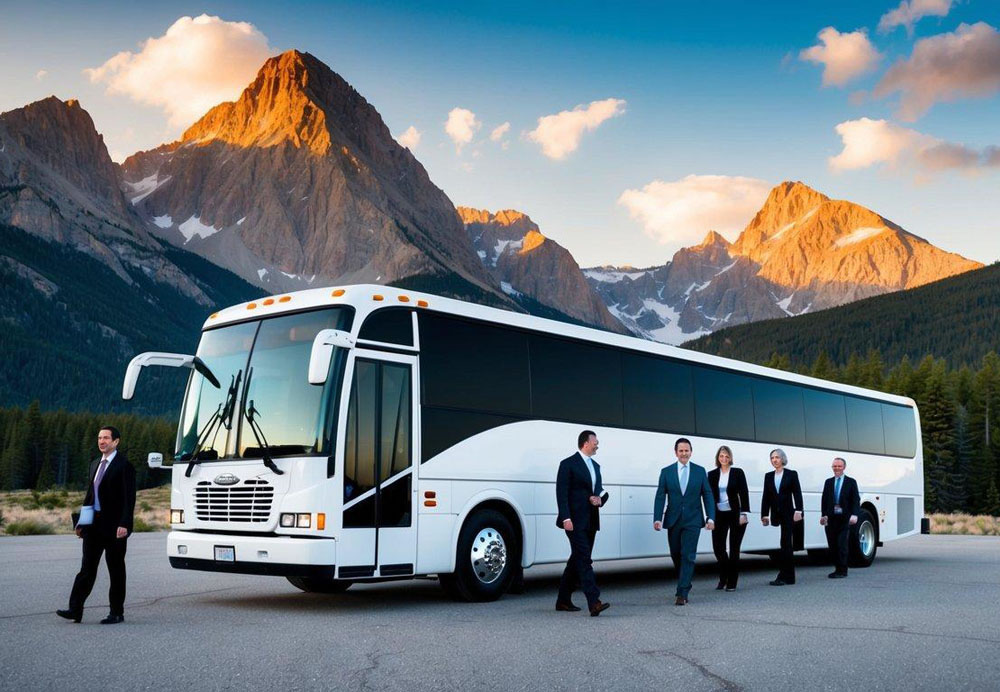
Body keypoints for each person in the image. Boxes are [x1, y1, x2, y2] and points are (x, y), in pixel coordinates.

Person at [57, 426, 136, 624]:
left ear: (116, 441)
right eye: (100, 438)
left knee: (116, 569)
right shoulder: (94, 464)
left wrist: (125, 524)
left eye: (106, 438)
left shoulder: (124, 465)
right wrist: (82, 523)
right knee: (86, 569)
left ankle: (116, 613)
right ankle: (75, 609)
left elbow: (129, 498)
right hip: (94, 526)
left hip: (115, 527)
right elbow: (89, 496)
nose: (102, 441)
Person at [653, 438, 715, 605]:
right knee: (676, 554)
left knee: (688, 555)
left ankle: (683, 591)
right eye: (681, 450)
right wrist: (657, 518)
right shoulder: (666, 472)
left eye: (686, 450)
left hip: (693, 520)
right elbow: (660, 495)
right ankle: (684, 581)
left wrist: (711, 517)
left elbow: (707, 494)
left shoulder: (699, 471)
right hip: (673, 519)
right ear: (676, 452)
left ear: (691, 452)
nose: (684, 453)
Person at [555, 430, 610, 616]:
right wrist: (565, 518)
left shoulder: (596, 466)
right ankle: (594, 601)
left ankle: (562, 600)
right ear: (585, 443)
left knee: (577, 559)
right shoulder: (568, 464)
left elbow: (600, 491)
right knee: (585, 559)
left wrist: (600, 500)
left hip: (591, 520)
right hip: (574, 520)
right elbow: (561, 493)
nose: (597, 444)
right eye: (595, 441)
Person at [707, 445, 750, 591]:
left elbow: (744, 493)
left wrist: (744, 513)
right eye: (721, 456)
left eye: (726, 456)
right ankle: (724, 576)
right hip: (719, 514)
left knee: (734, 548)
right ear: (717, 458)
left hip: (735, 514)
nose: (724, 458)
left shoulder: (737, 472)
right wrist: (710, 517)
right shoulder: (711, 474)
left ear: (730, 457)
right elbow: (708, 496)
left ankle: (732, 581)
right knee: (718, 548)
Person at [760, 448, 803, 586]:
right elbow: (766, 496)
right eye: (772, 458)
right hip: (776, 514)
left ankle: (785, 576)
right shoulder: (768, 476)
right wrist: (764, 514)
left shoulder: (791, 474)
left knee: (786, 544)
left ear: (782, 459)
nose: (774, 460)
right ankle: (788, 576)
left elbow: (797, 493)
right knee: (784, 544)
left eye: (777, 457)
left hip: (789, 514)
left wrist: (799, 510)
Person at [820, 457, 861, 579]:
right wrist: (824, 515)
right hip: (831, 518)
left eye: (839, 466)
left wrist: (855, 514)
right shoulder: (828, 482)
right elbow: (824, 500)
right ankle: (837, 568)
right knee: (832, 545)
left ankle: (843, 570)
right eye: (834, 466)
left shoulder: (851, 482)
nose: (836, 468)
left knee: (842, 544)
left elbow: (856, 500)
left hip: (845, 518)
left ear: (844, 467)